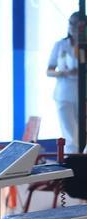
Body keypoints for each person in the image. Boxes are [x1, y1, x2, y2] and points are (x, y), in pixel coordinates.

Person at [49, 12, 86, 150]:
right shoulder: (60, 45)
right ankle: (72, 159)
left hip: (83, 93)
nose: (72, 27)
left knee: (83, 132)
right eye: (71, 23)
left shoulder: (84, 46)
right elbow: (49, 70)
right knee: (70, 135)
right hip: (64, 94)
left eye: (77, 24)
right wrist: (63, 73)